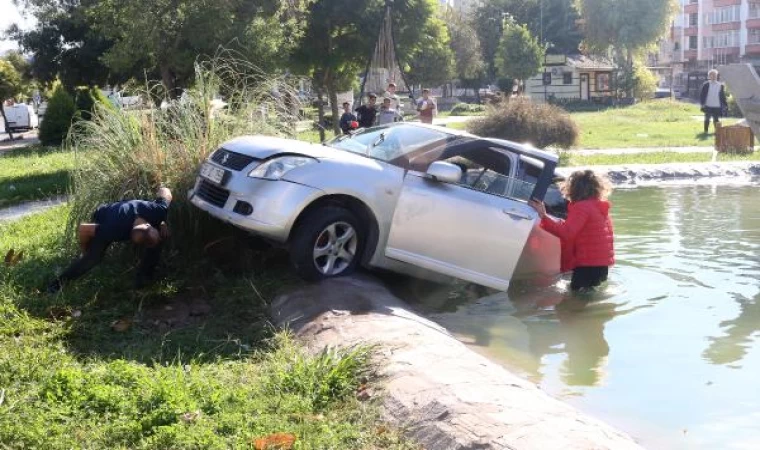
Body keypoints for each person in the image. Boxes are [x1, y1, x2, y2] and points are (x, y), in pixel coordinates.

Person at [47, 187, 173, 293]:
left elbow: (165, 190)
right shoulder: (114, 230)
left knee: (157, 242)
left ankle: (143, 281)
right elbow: (83, 229)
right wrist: (85, 250)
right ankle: (57, 284)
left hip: (131, 213)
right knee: (93, 258)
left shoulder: (158, 211)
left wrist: (162, 221)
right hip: (106, 214)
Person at [528, 170, 614, 292]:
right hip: (601, 264)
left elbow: (567, 233)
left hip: (588, 264)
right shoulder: (598, 206)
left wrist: (544, 216)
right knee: (590, 293)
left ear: (575, 189)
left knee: (577, 298)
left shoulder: (581, 207)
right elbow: (581, 230)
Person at [700, 69, 728, 134]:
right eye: (711, 75)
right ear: (709, 76)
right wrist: (702, 103)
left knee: (716, 119)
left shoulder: (720, 85)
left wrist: (725, 104)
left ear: (716, 76)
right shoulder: (706, 85)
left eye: (714, 75)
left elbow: (722, 96)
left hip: (717, 105)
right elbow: (702, 95)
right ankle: (705, 131)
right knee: (707, 119)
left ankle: (717, 132)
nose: (713, 76)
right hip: (708, 105)